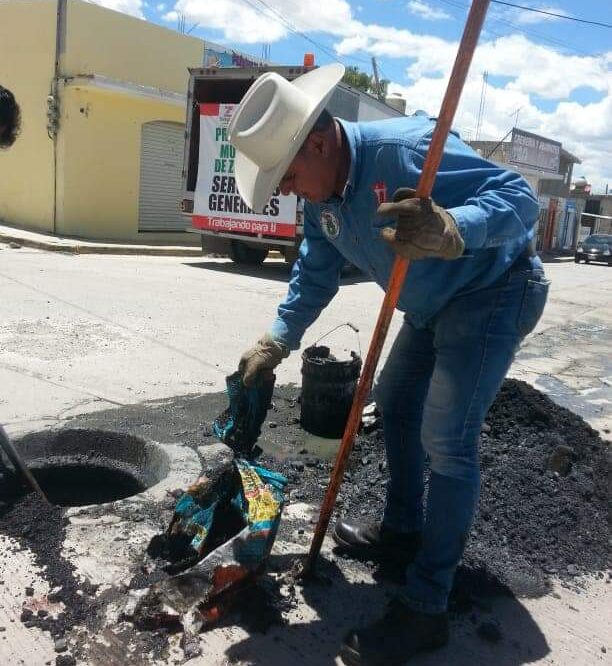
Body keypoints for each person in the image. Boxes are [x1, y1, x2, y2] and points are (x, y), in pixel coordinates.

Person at [229, 64, 549, 666]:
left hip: (492, 291)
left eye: (290, 174)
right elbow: (315, 272)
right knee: (396, 404)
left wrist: (454, 227)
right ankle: (403, 531)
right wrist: (277, 339)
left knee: (447, 440)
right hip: (431, 306)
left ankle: (427, 606)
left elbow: (521, 199)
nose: (289, 188)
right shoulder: (323, 196)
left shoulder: (404, 153)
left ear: (319, 143)